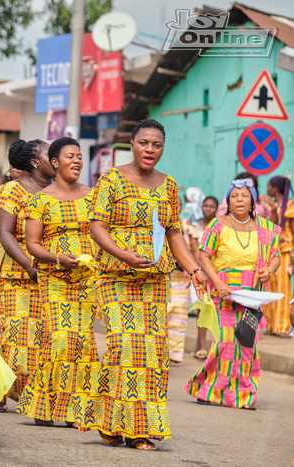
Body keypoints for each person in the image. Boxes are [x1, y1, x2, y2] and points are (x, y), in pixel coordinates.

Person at [81, 119, 207, 450]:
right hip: (115, 275)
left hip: (153, 278)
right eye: (143, 143)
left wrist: (193, 269)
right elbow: (96, 227)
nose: (150, 150)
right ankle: (120, 423)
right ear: (132, 144)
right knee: (125, 345)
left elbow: (173, 232)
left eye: (157, 145)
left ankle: (132, 427)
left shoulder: (169, 186)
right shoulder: (111, 179)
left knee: (150, 351)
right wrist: (123, 254)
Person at [16, 137, 100, 428]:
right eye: (70, 156)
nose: (77, 161)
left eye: (80, 156)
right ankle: (46, 406)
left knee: (84, 342)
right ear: (54, 162)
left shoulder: (94, 196)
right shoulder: (39, 199)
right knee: (58, 341)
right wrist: (57, 258)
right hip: (54, 279)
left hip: (87, 280)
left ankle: (81, 411)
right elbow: (33, 245)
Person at [185, 178, 280, 410]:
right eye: (235, 196)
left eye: (245, 196)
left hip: (253, 295)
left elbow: (275, 256)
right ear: (228, 200)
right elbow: (204, 256)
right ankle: (211, 390)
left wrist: (269, 269)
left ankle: (245, 393)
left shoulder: (265, 228)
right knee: (227, 342)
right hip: (225, 293)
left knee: (247, 343)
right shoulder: (218, 225)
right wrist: (217, 281)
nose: (240, 200)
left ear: (252, 201)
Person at [0, 139, 55, 411]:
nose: (55, 157)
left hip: (51, 272)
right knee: (16, 336)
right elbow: (4, 233)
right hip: (17, 273)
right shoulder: (11, 191)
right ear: (34, 162)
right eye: (48, 153)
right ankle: (3, 391)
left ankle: (36, 396)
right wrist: (29, 265)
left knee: (44, 337)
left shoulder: (57, 191)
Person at [186, 195, 218, 358]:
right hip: (199, 272)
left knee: (217, 312)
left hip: (217, 273)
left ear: (217, 208)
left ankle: (213, 348)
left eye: (211, 206)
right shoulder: (194, 227)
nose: (208, 209)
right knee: (201, 309)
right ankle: (201, 346)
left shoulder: (220, 227)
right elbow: (196, 252)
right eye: (205, 206)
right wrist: (202, 271)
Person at [262, 176, 293, 337]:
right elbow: (272, 227)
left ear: (275, 188)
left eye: (269, 186)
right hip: (273, 252)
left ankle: (283, 326)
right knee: (271, 288)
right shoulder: (275, 206)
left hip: (287, 251)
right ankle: (272, 325)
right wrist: (273, 206)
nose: (267, 189)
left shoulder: (290, 206)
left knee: (283, 288)